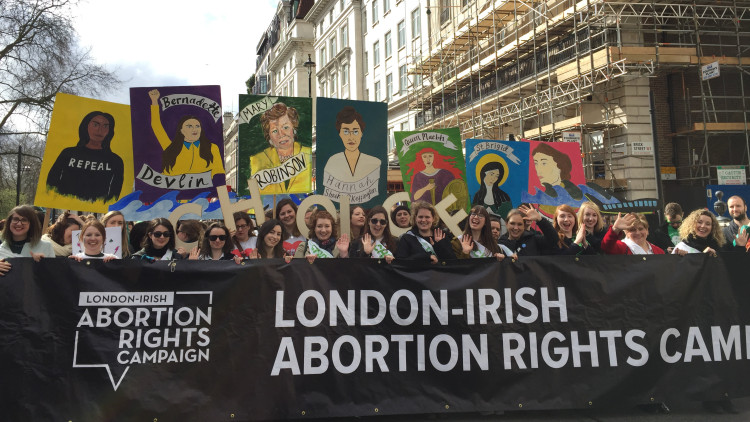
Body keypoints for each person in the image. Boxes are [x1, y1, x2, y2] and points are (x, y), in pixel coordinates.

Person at [46, 111, 124, 202]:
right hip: (63, 204)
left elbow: (114, 195)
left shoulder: (115, 160)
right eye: (95, 124)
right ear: (86, 125)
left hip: (96, 209)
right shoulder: (68, 153)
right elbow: (51, 184)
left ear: (110, 130)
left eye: (106, 126)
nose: (100, 130)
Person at [148, 89, 225, 178]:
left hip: (203, 192)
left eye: (197, 126)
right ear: (181, 131)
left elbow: (219, 174)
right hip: (170, 191)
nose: (194, 129)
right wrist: (154, 101)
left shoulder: (213, 149)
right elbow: (156, 126)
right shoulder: (171, 147)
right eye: (189, 126)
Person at [322, 106, 382, 202]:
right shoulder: (332, 162)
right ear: (340, 134)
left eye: (355, 131)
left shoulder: (375, 163)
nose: (351, 137)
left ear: (361, 133)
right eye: (346, 131)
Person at [250, 103, 312, 193]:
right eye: (275, 131)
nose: (281, 134)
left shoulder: (308, 155)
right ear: (269, 136)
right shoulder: (257, 160)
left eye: (285, 127)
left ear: (293, 128)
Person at [0, 205, 55, 276]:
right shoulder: (1, 249)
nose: (19, 223)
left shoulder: (45, 247)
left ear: (32, 224)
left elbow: (54, 277)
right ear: (9, 222)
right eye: (15, 219)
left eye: (24, 220)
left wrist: (42, 264)